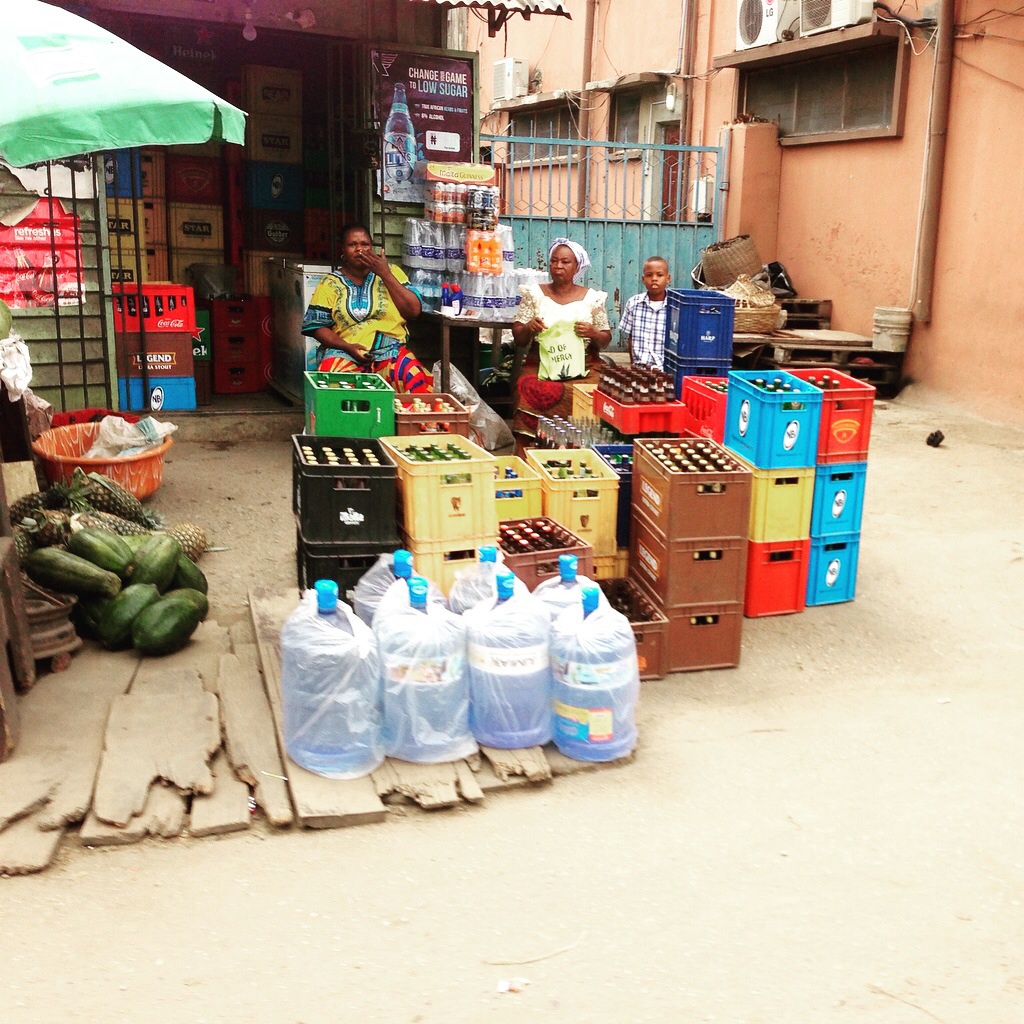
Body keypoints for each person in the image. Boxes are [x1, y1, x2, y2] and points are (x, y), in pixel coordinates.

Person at [301, 222, 433, 393]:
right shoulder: (330, 283)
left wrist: (385, 274)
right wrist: (347, 347)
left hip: (389, 351)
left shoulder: (392, 272)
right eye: (352, 245)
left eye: (365, 244)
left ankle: (402, 420)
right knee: (333, 378)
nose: (359, 249)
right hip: (345, 352)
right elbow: (318, 327)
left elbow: (413, 311)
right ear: (342, 249)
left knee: (411, 375)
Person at [510, 239, 612, 451]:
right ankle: (527, 447)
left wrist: (592, 332)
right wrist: (529, 326)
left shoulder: (591, 299)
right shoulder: (535, 295)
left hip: (584, 364)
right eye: (554, 261)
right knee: (528, 386)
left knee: (589, 390)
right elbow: (519, 338)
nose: (558, 266)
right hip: (541, 363)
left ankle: (577, 447)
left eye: (565, 262)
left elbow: (605, 338)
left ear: (576, 267)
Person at [618, 256, 671, 370]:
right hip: (641, 368)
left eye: (659, 275)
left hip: (666, 370)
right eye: (649, 275)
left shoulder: (675, 306)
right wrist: (634, 366)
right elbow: (630, 338)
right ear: (643, 279)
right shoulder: (633, 303)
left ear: (668, 278)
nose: (654, 279)